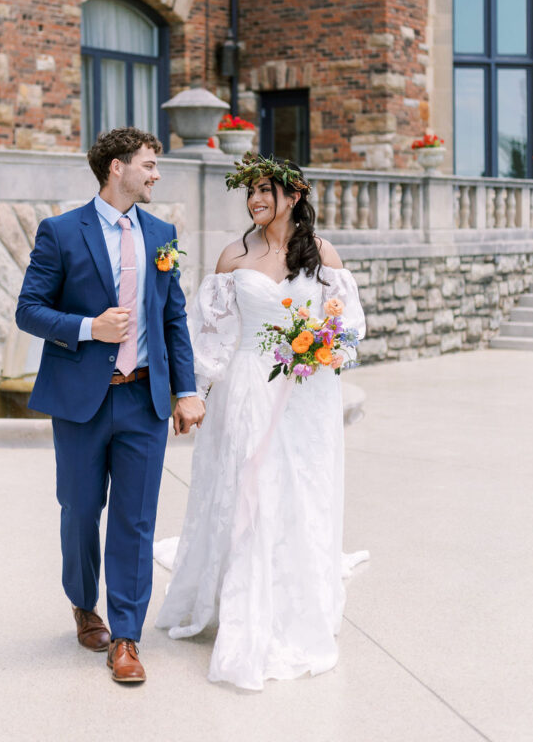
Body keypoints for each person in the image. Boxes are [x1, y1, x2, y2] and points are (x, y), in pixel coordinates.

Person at [155, 153, 368, 690]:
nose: (256, 200)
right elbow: (213, 333)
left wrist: (322, 349)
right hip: (246, 387)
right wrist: (195, 393)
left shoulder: (321, 254)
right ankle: (244, 598)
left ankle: (294, 596)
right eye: (250, 191)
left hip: (308, 392)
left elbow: (349, 329)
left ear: (293, 196)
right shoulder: (234, 255)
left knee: (301, 488)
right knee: (248, 485)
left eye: (266, 190)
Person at [16, 127, 205, 685]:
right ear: (116, 167)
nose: (155, 174)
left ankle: (126, 637)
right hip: (81, 403)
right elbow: (29, 310)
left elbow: (172, 318)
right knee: (78, 510)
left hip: (144, 399)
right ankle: (82, 603)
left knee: (136, 521)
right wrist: (87, 327)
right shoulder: (60, 232)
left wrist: (187, 390)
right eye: (148, 164)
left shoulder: (162, 234)